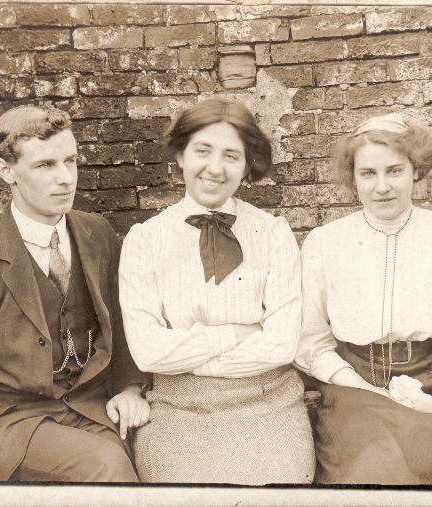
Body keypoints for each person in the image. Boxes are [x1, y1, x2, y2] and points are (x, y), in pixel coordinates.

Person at [0, 105, 151, 482]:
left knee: (162, 452)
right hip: (9, 421)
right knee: (107, 465)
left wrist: (132, 388)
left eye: (70, 161)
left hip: (88, 408)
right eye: (44, 165)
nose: (65, 178)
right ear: (7, 171)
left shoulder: (97, 234)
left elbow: (122, 329)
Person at [294, 112, 432, 485]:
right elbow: (310, 340)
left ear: (416, 171)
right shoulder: (324, 243)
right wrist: (368, 390)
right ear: (353, 177)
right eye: (368, 173)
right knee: (374, 472)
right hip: (354, 388)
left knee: (430, 467)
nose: (382, 187)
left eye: (394, 171)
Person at [118, 98, 315, 485]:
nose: (215, 168)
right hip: (178, 405)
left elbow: (281, 346)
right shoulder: (145, 240)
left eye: (231, 155)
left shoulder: (273, 233)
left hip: (268, 401)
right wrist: (237, 334)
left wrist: (187, 355)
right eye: (202, 151)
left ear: (247, 165)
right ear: (180, 155)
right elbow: (148, 351)